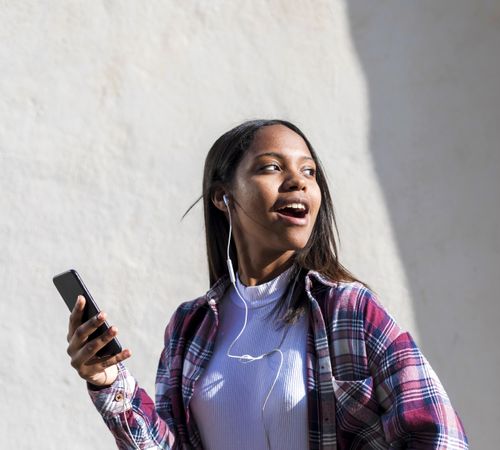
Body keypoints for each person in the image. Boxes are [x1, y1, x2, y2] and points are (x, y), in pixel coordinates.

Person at [65, 119, 469, 449]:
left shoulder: (350, 311)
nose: (298, 182)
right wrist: (108, 383)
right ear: (223, 197)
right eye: (273, 167)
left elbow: (439, 436)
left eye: (308, 171)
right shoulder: (189, 327)